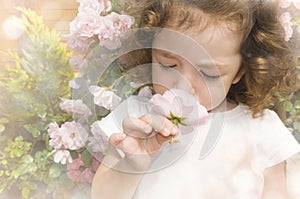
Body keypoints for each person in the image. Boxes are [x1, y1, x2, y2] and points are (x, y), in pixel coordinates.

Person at [91, 0, 300, 198]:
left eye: (209, 73)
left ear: (240, 71)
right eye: (168, 64)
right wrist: (132, 165)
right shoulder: (136, 120)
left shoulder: (261, 127)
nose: (183, 87)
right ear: (150, 51)